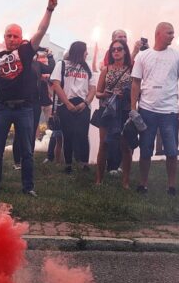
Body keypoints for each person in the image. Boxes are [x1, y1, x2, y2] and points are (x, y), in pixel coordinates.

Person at [0, 0, 57, 196]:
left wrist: (49, 10)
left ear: (21, 38)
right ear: (4, 38)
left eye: (16, 35)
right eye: (9, 35)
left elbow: (41, 30)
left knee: (27, 152)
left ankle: (28, 187)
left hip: (24, 108)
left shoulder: (26, 51)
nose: (12, 39)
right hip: (3, 109)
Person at [130, 22, 179, 196]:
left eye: (173, 33)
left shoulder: (178, 56)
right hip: (147, 110)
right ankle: (143, 184)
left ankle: (172, 186)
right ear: (158, 34)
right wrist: (133, 108)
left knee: (172, 151)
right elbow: (135, 82)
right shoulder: (143, 56)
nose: (173, 35)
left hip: (169, 112)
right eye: (169, 32)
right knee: (145, 149)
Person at [51, 41, 97, 174]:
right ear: (79, 51)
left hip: (83, 104)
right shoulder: (62, 64)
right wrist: (67, 103)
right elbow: (56, 84)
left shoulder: (87, 67)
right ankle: (68, 164)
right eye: (85, 50)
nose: (87, 53)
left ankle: (84, 162)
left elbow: (92, 88)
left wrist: (85, 103)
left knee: (83, 134)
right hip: (67, 103)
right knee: (68, 134)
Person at [94, 39, 133, 187]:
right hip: (107, 111)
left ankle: (126, 181)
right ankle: (99, 179)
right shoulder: (106, 69)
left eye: (119, 49)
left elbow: (138, 91)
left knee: (125, 145)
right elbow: (97, 93)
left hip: (124, 111)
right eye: (113, 49)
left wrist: (127, 95)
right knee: (103, 144)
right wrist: (106, 94)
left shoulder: (131, 69)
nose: (116, 51)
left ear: (125, 51)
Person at [13, 47, 55, 168]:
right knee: (19, 131)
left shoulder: (37, 64)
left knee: (31, 130)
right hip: (20, 101)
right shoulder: (17, 64)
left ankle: (28, 157)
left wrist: (50, 56)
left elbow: (50, 68)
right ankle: (17, 161)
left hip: (35, 102)